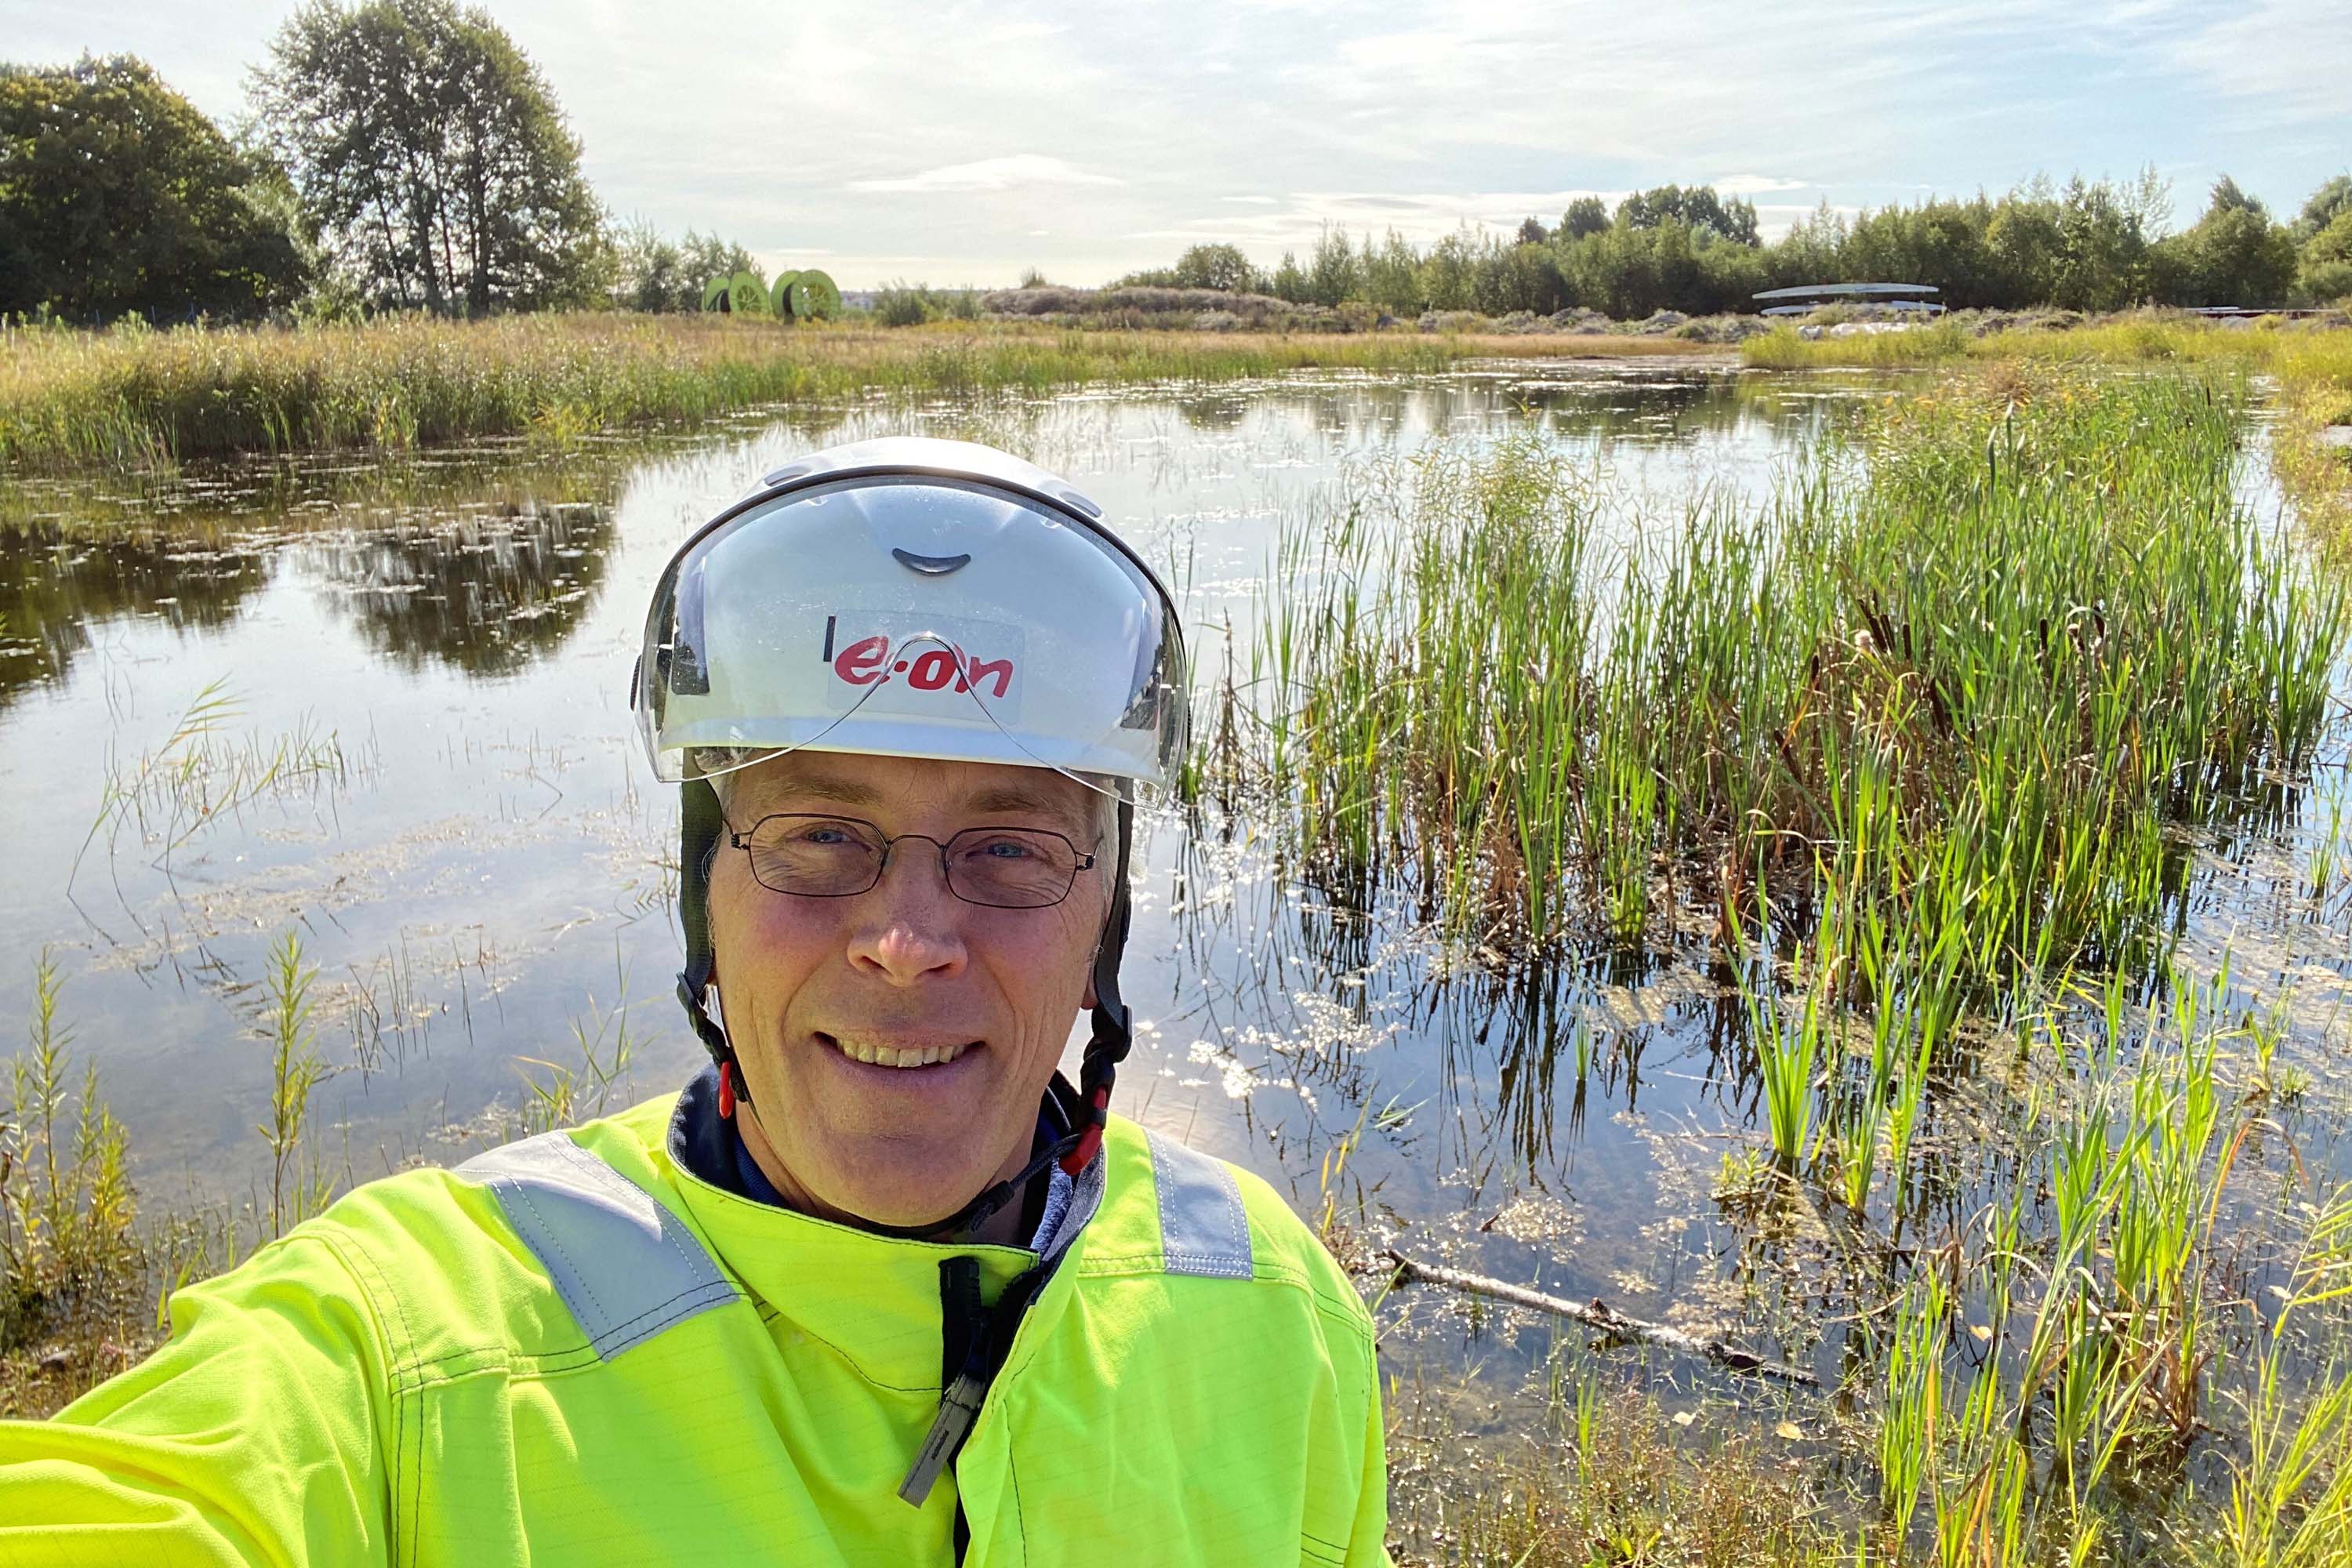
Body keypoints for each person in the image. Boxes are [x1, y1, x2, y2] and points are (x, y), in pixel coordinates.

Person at [0, 437, 1390, 1565]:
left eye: (1012, 850)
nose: (907, 942)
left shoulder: (1277, 1307)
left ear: (1104, 925)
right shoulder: (418, 1341)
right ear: (704, 903)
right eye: (819, 837)